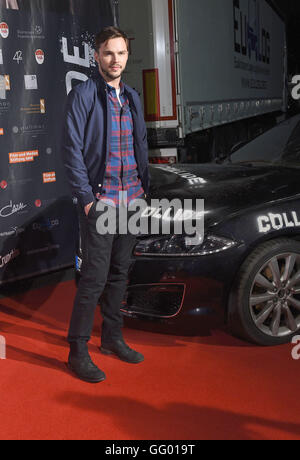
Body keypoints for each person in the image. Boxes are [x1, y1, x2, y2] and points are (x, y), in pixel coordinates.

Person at [62, 26, 150, 383]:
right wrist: (87, 201)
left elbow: (140, 144)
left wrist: (144, 190)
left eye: (122, 53)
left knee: (119, 275)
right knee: (94, 279)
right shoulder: (83, 95)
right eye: (108, 52)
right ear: (96, 55)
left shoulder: (131, 96)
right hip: (102, 203)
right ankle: (77, 350)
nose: (115, 59)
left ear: (128, 56)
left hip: (132, 200)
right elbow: (72, 152)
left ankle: (112, 338)